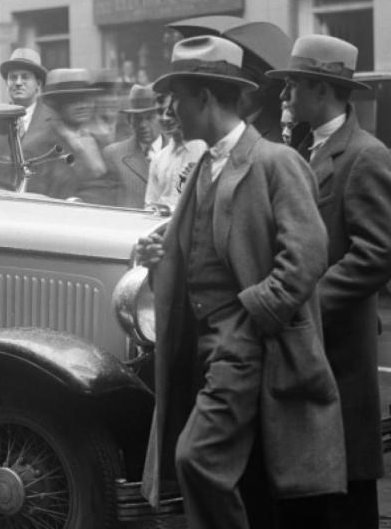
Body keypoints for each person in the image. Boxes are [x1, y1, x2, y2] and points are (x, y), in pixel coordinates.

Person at [137, 35, 345, 529]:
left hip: (244, 344)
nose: (171, 112)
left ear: (205, 98)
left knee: (196, 459)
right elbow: (197, 247)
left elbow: (306, 258)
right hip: (204, 342)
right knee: (240, 478)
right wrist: (158, 255)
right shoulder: (204, 165)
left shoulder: (275, 162)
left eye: (178, 99)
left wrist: (251, 317)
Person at [268, 34, 391, 529]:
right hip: (308, 346)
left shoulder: (366, 155)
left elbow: (377, 253)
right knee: (309, 474)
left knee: (346, 483)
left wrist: (306, 303)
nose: (285, 96)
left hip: (338, 343)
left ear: (321, 90)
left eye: (293, 85)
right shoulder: (299, 149)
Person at [22, 68, 106, 201]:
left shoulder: (99, 142)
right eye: (73, 100)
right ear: (58, 105)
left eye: (86, 99)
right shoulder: (38, 148)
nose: (82, 106)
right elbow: (35, 201)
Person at [99, 84, 161, 208]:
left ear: (161, 118)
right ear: (129, 121)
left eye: (149, 118)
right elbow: (107, 205)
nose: (143, 125)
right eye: (138, 119)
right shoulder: (113, 155)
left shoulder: (180, 151)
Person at [143, 93, 206, 210]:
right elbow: (150, 204)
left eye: (171, 111)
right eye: (160, 112)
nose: (165, 118)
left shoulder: (205, 150)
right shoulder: (158, 159)